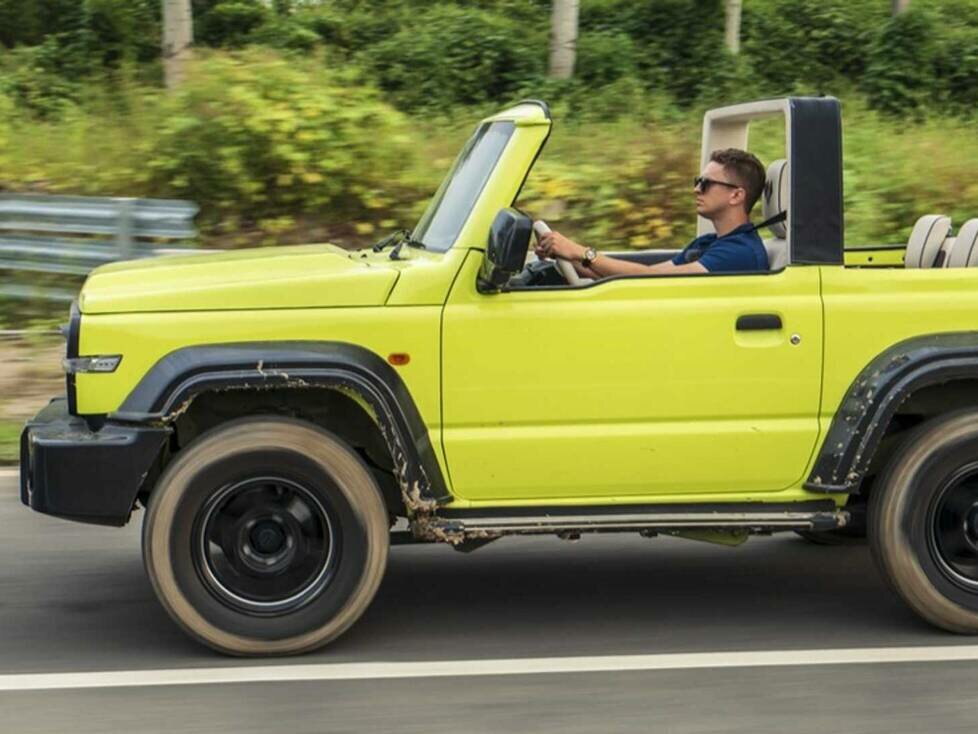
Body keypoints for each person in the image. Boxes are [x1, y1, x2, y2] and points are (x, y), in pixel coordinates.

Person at [535, 148, 769, 278]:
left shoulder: (739, 253)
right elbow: (644, 276)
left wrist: (582, 252)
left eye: (706, 183)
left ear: (736, 196)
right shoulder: (708, 243)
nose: (696, 189)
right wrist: (567, 257)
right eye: (697, 181)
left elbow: (653, 281)